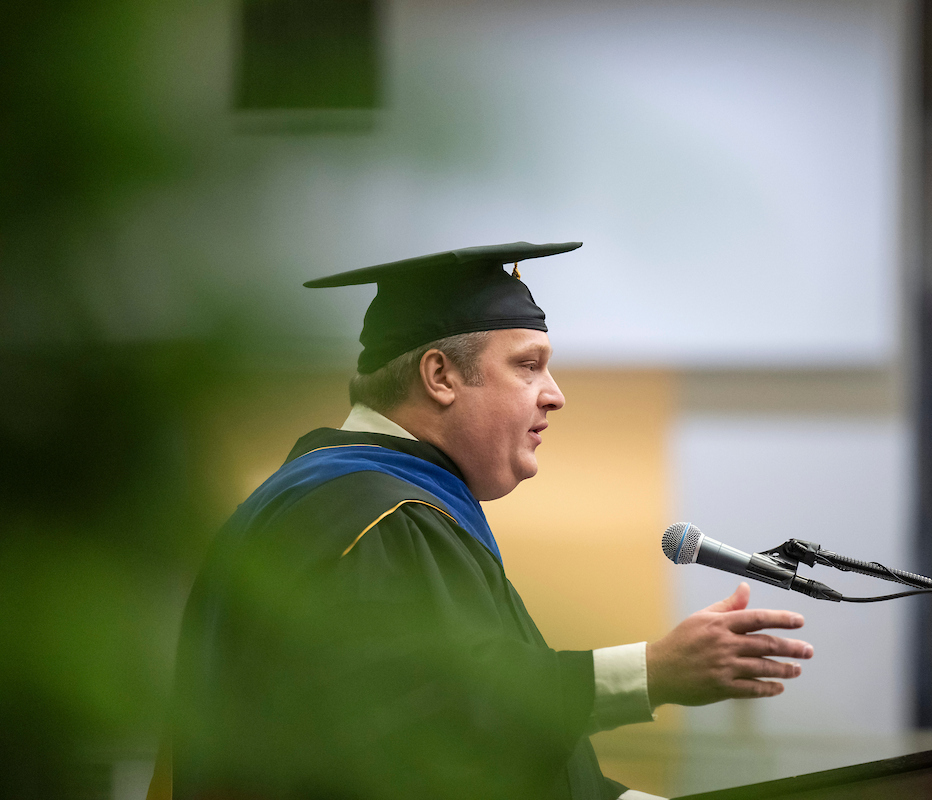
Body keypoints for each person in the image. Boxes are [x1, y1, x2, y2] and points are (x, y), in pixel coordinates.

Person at [164, 242, 814, 800]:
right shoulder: (377, 519)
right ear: (440, 375)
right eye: (528, 364)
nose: (555, 393)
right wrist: (654, 670)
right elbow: (446, 728)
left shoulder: (340, 499)